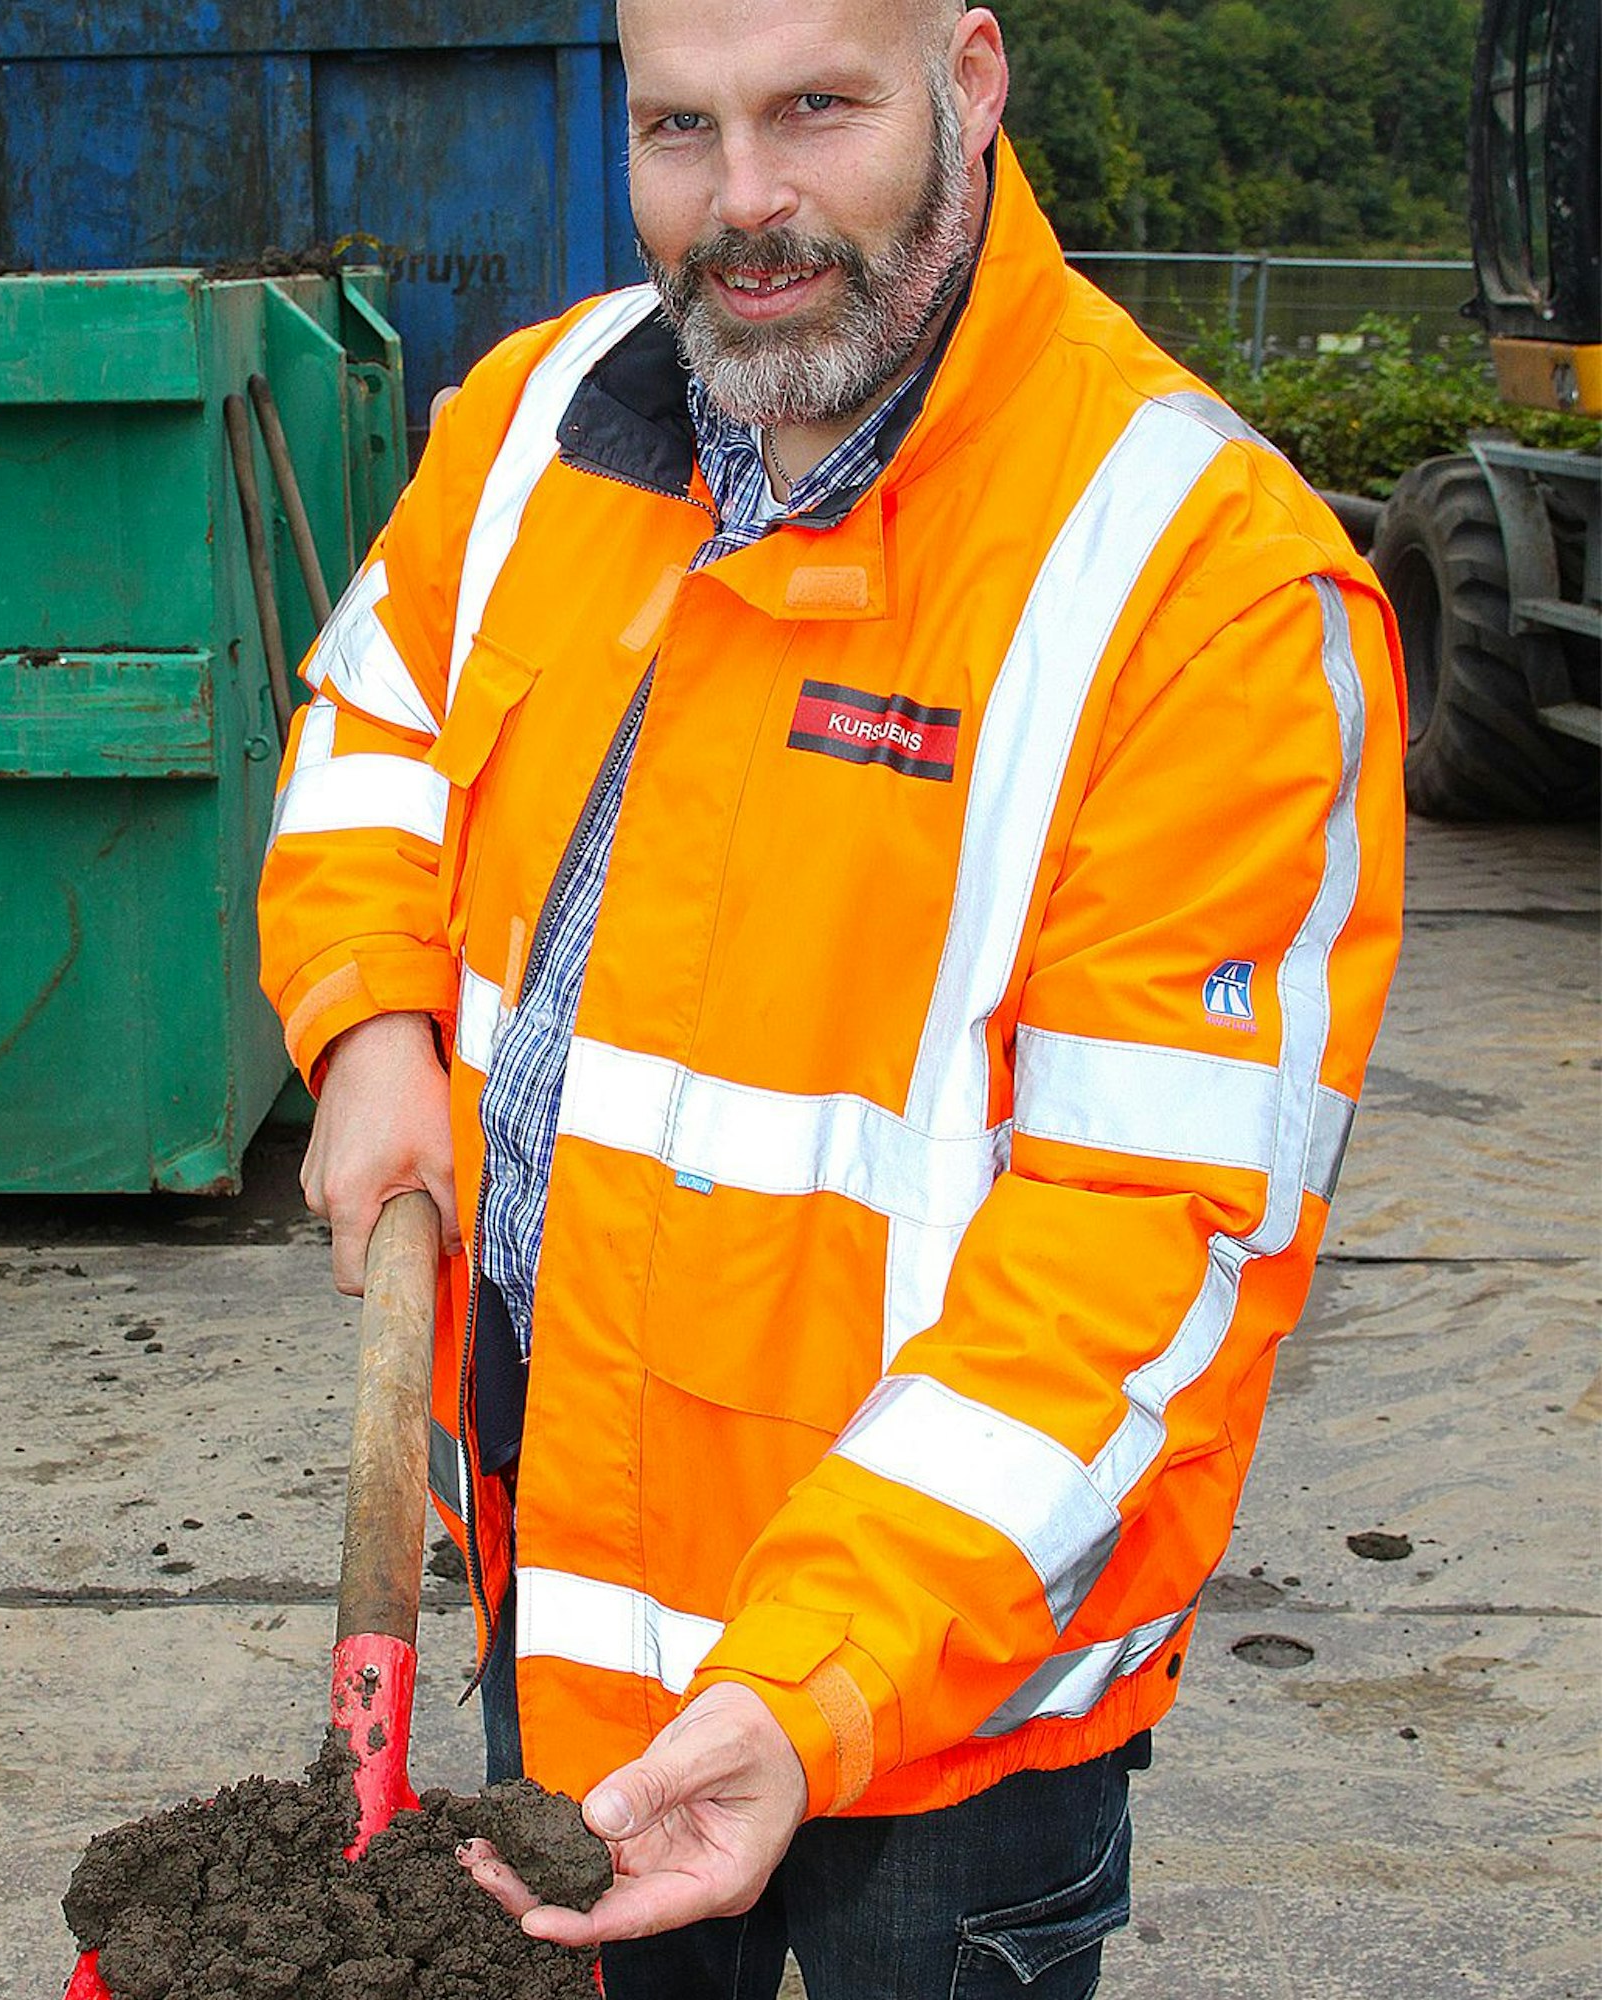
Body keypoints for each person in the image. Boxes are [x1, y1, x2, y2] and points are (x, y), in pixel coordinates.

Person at [256, 0, 1406, 1991]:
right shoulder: (520, 429)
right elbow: (368, 722)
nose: (746, 202)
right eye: (677, 128)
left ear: (967, 83)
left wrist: (812, 1681)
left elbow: (1148, 1247)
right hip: (570, 1620)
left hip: (931, 1701)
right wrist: (369, 1026)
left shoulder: (1197, 585)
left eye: (816, 110)